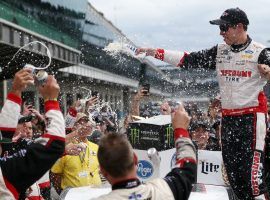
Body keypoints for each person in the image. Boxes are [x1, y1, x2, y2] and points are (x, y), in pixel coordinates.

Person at [136, 7, 270, 199]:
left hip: (252, 120)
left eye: (224, 28)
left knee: (252, 179)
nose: (221, 32)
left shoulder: (261, 52)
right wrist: (153, 52)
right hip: (229, 120)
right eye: (220, 28)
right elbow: (186, 59)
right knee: (234, 177)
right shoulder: (219, 51)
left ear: (239, 27)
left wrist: (268, 73)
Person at [92, 104, 196, 200]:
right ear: (135, 160)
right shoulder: (163, 191)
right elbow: (188, 165)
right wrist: (180, 130)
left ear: (102, 171)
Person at [0, 69, 65, 199]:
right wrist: (51, 99)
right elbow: (55, 145)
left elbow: (5, 135)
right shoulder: (5, 174)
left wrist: (16, 90)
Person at [50, 112, 101, 195]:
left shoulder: (96, 147)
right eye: (80, 123)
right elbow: (55, 175)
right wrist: (64, 195)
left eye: (86, 121)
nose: (85, 125)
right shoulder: (66, 148)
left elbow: (99, 171)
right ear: (73, 128)